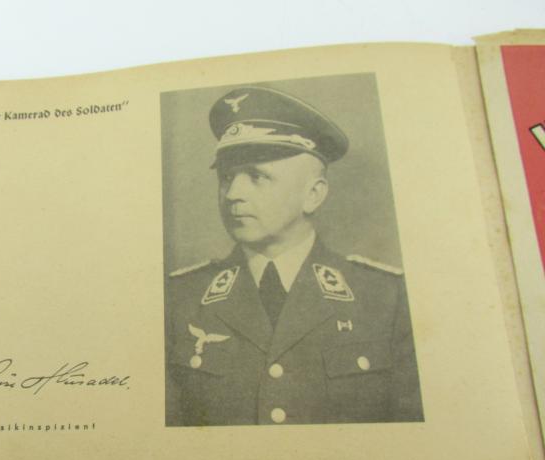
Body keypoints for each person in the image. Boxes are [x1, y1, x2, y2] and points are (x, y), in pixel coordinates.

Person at [165, 86, 423, 426]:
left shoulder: (386, 298)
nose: (233, 193)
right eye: (227, 177)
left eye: (257, 176)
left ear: (313, 195)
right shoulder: (179, 299)